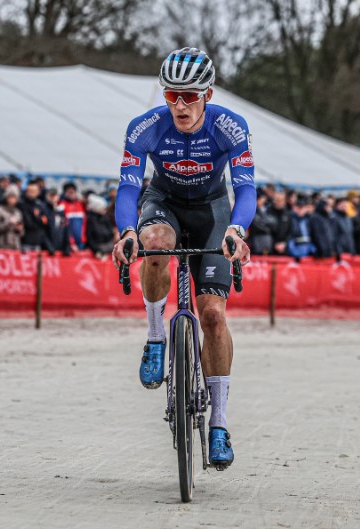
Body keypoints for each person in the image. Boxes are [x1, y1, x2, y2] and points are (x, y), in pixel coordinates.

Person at [112, 48, 253, 469]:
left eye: (190, 96)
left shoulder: (229, 126)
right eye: (172, 95)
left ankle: (220, 424)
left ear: (207, 94)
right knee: (154, 242)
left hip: (213, 210)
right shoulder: (145, 127)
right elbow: (127, 187)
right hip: (165, 203)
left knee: (213, 316)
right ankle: (156, 337)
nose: (180, 105)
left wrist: (237, 229)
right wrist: (127, 232)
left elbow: (245, 188)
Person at [85, 193, 115, 258]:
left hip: (108, 246)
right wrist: (96, 250)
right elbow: (89, 237)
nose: (105, 210)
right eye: (103, 208)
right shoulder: (91, 219)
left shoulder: (106, 217)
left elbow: (110, 231)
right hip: (98, 249)